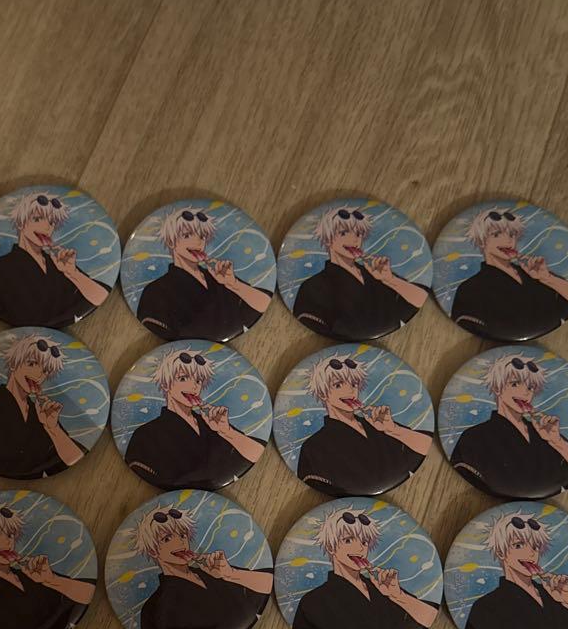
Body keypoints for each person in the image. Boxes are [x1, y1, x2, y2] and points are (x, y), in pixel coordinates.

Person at [291, 507, 438, 629]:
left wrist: (398, 595)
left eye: (364, 541)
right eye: (348, 540)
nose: (360, 548)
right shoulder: (314, 601)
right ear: (331, 547)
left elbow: (428, 618)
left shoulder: (383, 588)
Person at [449, 353, 568, 498]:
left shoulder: (544, 433)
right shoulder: (475, 437)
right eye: (515, 384)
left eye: (530, 387)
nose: (525, 392)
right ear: (497, 388)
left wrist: (557, 441)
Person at [133, 506, 272, 629]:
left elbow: (269, 583)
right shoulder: (156, 607)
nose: (180, 542)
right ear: (153, 551)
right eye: (167, 539)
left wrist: (231, 573)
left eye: (182, 535)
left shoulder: (214, 572)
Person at [0, 333, 86, 478]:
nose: (39, 374)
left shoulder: (43, 417)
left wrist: (53, 428)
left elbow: (74, 462)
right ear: (14, 364)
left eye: (45, 370)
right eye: (31, 364)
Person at [123, 347, 265, 488]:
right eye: (183, 378)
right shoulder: (146, 434)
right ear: (166, 385)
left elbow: (256, 453)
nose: (194, 386)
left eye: (198, 380)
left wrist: (227, 431)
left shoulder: (213, 424)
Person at [295, 354, 432, 495]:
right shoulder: (314, 447)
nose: (350, 390)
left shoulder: (379, 425)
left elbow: (426, 447)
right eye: (338, 385)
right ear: (323, 393)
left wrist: (393, 429)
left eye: (354, 384)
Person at [0, 191, 109, 327]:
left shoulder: (59, 265)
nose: (47, 227)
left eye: (52, 222)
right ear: (20, 223)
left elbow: (101, 296)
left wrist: (72, 273)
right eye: (37, 219)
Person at [291, 206, 428, 340]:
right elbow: (314, 328)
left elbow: (420, 299)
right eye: (344, 233)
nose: (355, 240)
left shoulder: (377, 275)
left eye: (358, 234)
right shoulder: (313, 286)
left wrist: (390, 279)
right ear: (328, 240)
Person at [135, 207, 271, 341]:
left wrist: (233, 284)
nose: (198, 242)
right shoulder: (156, 291)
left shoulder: (220, 278)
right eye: (187, 235)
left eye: (202, 236)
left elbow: (264, 305)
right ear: (171, 242)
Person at [449, 208, 568, 340]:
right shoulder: (471, 288)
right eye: (496, 235)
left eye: (512, 234)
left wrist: (547, 278)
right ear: (481, 242)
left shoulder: (535, 275)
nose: (508, 241)